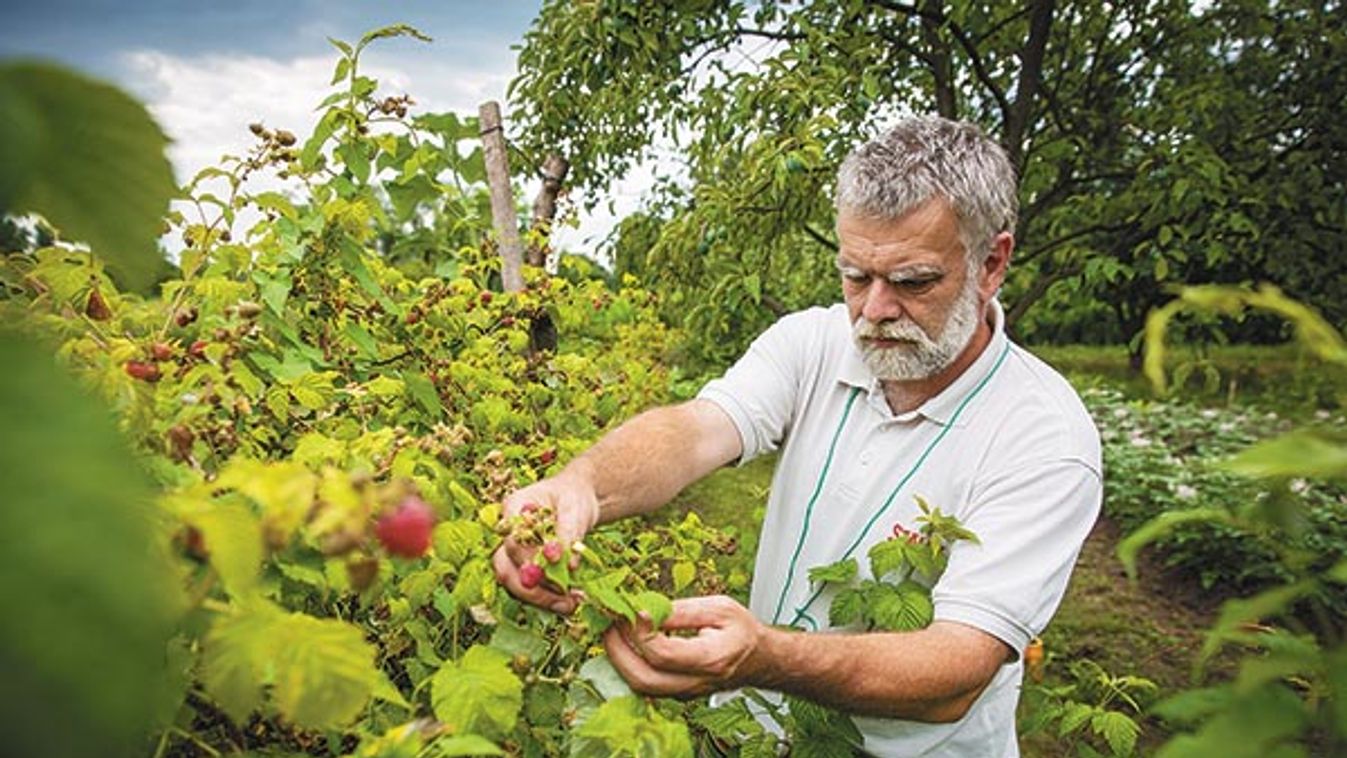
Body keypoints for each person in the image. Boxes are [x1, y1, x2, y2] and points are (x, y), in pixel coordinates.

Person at [493, 115, 1101, 756]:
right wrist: (581, 485)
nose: (874, 311)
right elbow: (694, 431)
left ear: (991, 263)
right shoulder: (811, 342)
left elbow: (955, 669)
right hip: (753, 738)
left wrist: (764, 657)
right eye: (855, 276)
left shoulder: (1044, 439)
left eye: (913, 282)